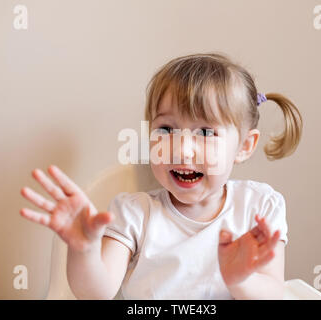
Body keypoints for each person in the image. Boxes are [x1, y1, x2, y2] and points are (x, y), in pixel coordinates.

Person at [19, 52, 303, 299]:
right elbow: (96, 292)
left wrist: (241, 280)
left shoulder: (259, 207)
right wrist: (85, 250)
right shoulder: (134, 213)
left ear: (244, 146)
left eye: (205, 133)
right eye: (166, 129)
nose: (182, 150)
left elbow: (274, 293)